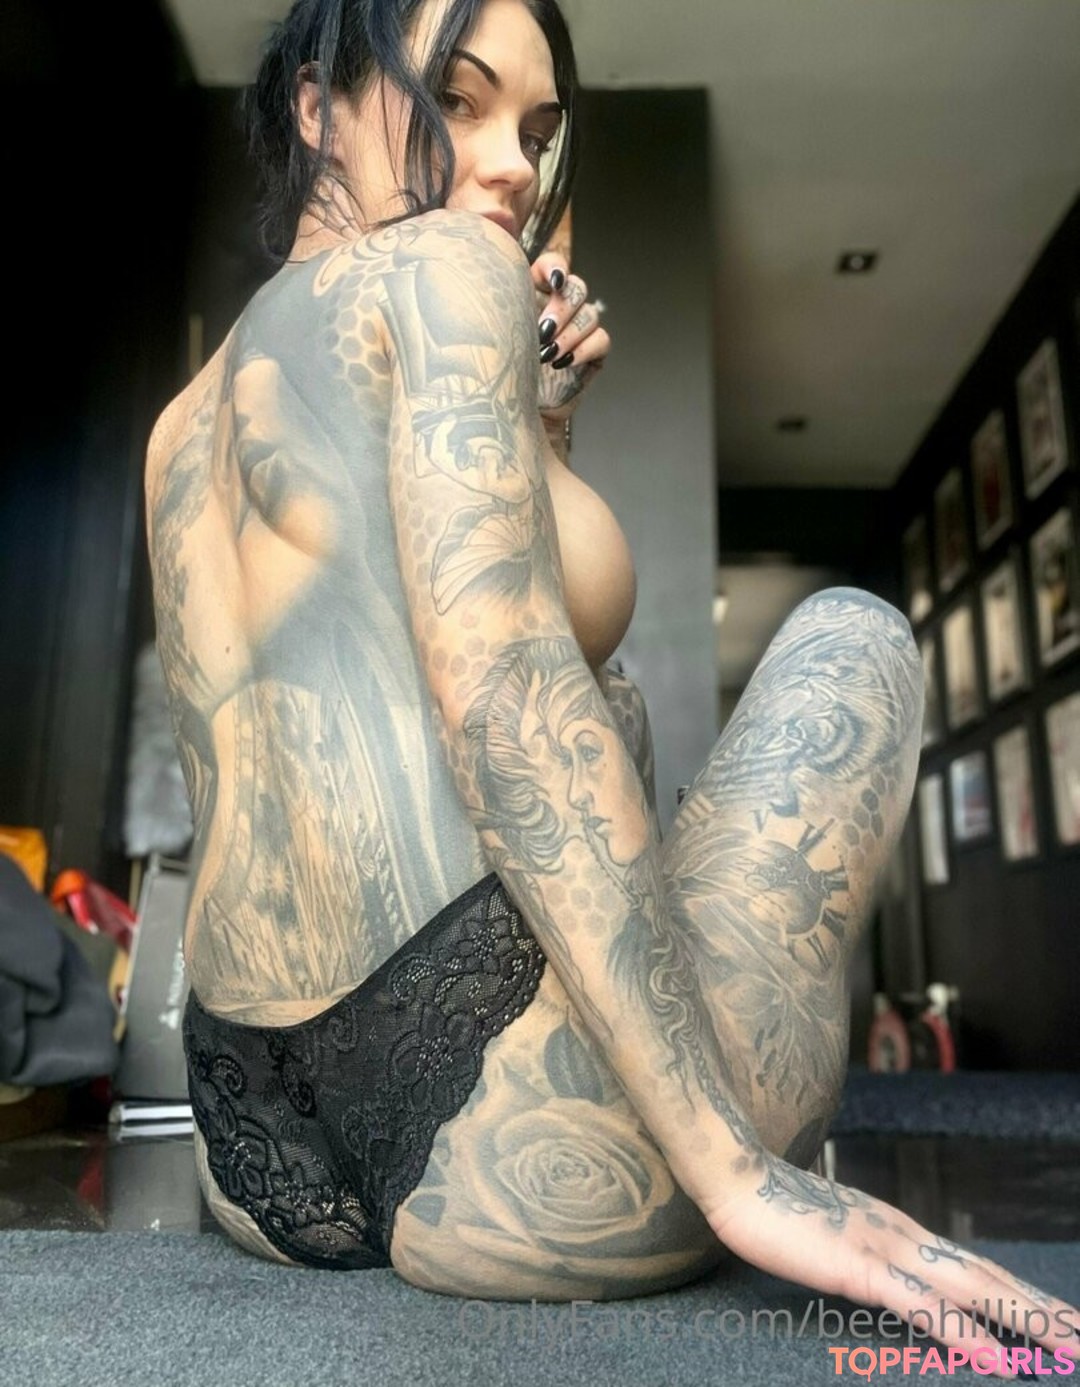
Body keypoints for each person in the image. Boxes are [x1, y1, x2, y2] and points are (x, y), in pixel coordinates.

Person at [146, 0, 1079, 1356]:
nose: (513, 167)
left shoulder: (180, 426)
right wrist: (735, 1175)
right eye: (456, 100)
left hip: (253, 1145)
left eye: (536, 131)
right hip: (518, 1160)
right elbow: (502, 690)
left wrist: (542, 431)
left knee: (622, 705)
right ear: (314, 108)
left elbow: (416, 677)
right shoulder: (447, 265)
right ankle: (707, 1134)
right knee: (854, 638)